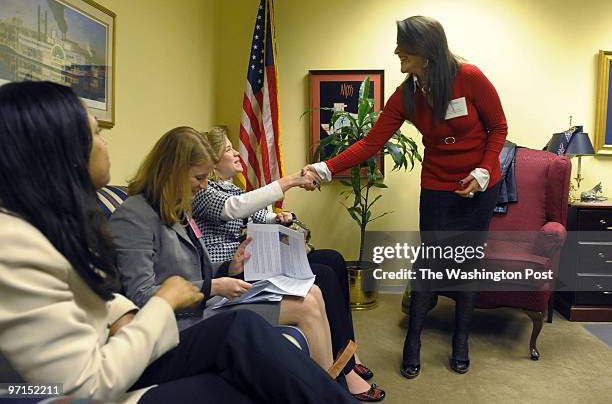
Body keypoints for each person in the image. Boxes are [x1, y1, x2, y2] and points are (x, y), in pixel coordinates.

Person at [0, 81, 356, 403]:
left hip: (156, 330)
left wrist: (122, 312)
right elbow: (80, 382)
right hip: (108, 370)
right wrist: (165, 299)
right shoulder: (20, 243)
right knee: (242, 337)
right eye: (96, 133)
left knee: (264, 317)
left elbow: (93, 292)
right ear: (61, 152)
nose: (106, 142)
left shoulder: (57, 222)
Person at [304, 16, 508, 378]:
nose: (397, 52)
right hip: (437, 187)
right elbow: (371, 142)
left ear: (426, 53)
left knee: (467, 264)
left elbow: (498, 128)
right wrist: (325, 169)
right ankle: (413, 339)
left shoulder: (470, 77)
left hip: (479, 186)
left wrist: (484, 170)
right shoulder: (408, 95)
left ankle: (461, 339)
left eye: (405, 48)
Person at [109, 126, 354, 379]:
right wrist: (213, 286)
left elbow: (198, 269)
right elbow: (140, 295)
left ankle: (332, 383)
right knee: (305, 307)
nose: (204, 186)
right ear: (173, 172)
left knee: (312, 292)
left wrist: (228, 268)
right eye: (199, 177)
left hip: (207, 305)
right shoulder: (133, 216)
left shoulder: (176, 209)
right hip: (183, 321)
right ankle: (331, 389)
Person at [192, 126, 384, 402]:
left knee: (332, 259)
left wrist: (279, 220)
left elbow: (257, 213)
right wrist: (291, 181)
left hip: (252, 261)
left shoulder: (232, 188)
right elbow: (235, 208)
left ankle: (349, 354)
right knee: (323, 275)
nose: (236, 153)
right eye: (228, 149)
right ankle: (345, 372)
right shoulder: (206, 192)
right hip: (232, 272)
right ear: (210, 160)